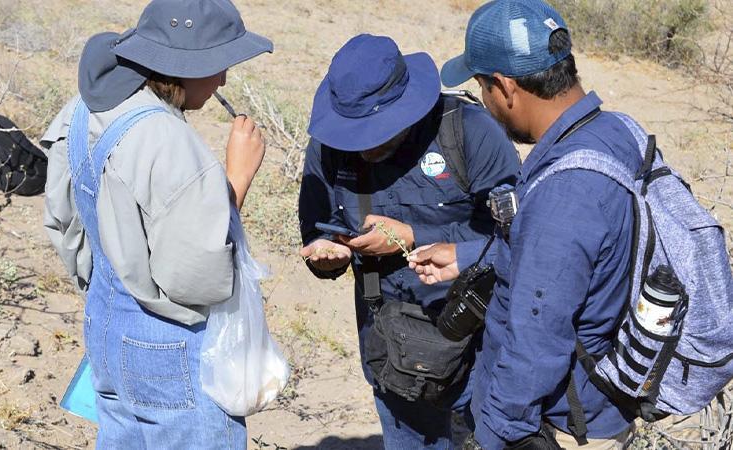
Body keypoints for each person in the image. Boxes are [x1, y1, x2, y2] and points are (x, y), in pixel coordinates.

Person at [409, 1, 642, 448]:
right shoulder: (612, 132)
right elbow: (577, 258)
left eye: (481, 87)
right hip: (597, 403)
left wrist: (492, 437)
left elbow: (535, 341)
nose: (485, 102)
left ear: (505, 86)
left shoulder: (567, 189)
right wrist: (468, 256)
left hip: (556, 425)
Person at [41, 0, 272, 447]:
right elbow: (197, 281)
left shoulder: (82, 110)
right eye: (219, 64)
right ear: (184, 66)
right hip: (168, 348)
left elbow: (62, 220)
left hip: (105, 327)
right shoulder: (170, 143)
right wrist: (237, 179)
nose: (223, 79)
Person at [298, 34, 520, 449]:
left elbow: (519, 235)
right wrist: (328, 256)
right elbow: (319, 227)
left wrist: (416, 236)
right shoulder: (328, 149)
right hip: (393, 341)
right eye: (353, 134)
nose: (363, 146)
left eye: (375, 132)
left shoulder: (468, 132)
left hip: (481, 334)